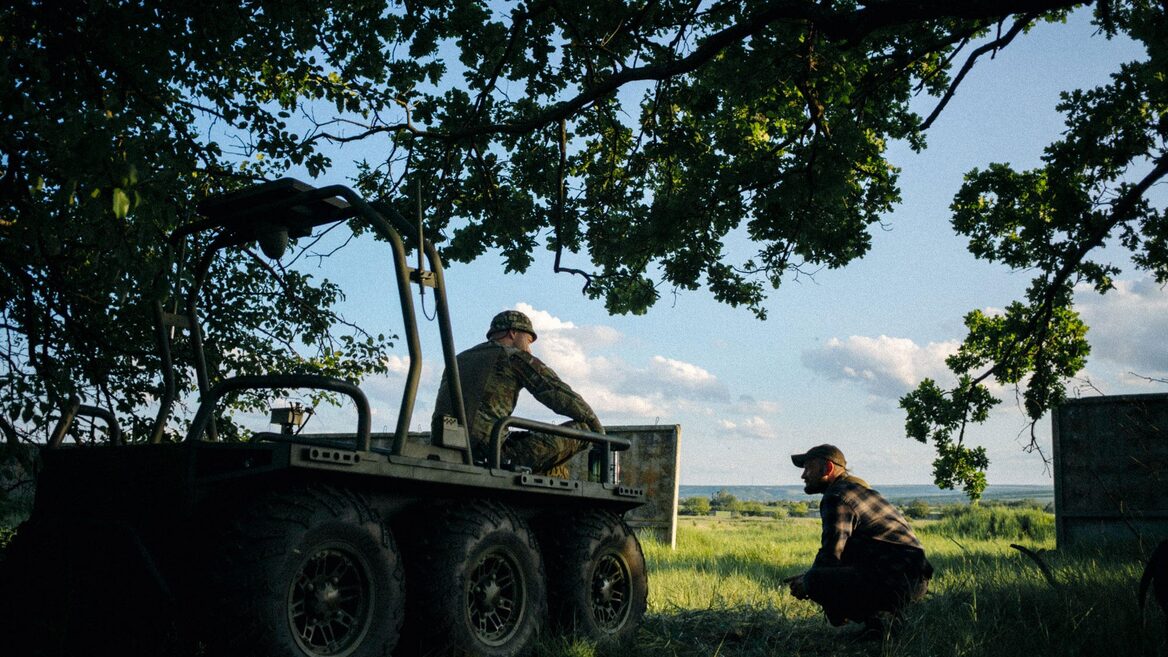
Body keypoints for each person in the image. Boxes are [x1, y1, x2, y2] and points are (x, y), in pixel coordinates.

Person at [785, 444, 933, 638]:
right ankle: (880, 624)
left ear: (827, 469)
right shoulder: (859, 491)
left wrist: (808, 582)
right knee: (826, 571)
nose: (803, 475)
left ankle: (882, 623)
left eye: (808, 468)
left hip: (897, 581)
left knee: (817, 579)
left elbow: (831, 553)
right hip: (912, 579)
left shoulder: (837, 496)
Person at [432, 310, 602, 477]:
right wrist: (599, 432)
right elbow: (558, 394)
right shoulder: (512, 356)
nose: (529, 350)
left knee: (527, 439)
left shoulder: (458, 360)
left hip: (448, 448)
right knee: (583, 429)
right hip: (490, 455)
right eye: (528, 341)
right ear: (513, 333)